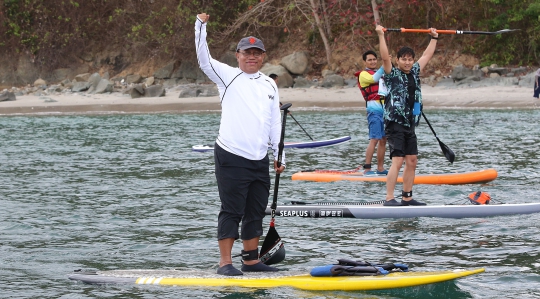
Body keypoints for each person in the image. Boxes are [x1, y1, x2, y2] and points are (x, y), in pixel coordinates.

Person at [195, 13, 285, 276]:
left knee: (255, 209)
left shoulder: (269, 83)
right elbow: (203, 59)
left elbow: (274, 122)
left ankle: (250, 259)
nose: (252, 57)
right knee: (232, 209)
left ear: (263, 56)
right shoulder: (227, 75)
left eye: (257, 53)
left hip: (259, 159)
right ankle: (225, 262)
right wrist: (201, 25)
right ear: (237, 55)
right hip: (231, 155)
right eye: (247, 53)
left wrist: (280, 155)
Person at [375, 24, 439, 206]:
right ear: (397, 60)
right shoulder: (392, 74)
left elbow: (427, 55)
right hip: (395, 123)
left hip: (410, 123)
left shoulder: (415, 72)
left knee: (412, 160)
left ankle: (407, 197)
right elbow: (384, 57)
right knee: (398, 160)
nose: (407, 62)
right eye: (404, 59)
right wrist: (381, 35)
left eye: (410, 59)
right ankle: (389, 198)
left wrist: (434, 38)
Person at [357, 50, 388, 176]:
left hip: (385, 110)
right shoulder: (363, 74)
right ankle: (367, 169)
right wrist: (385, 64)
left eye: (374, 59)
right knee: (374, 139)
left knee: (384, 139)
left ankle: (380, 168)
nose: (372, 61)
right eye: (369, 60)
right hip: (373, 111)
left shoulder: (382, 73)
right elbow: (374, 78)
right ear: (365, 62)